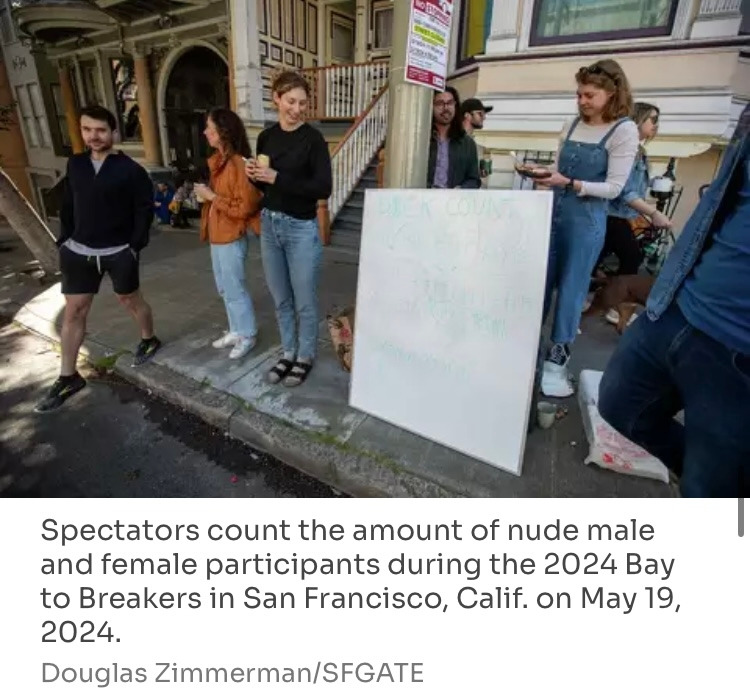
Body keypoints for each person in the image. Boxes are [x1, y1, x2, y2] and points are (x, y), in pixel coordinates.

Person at [599, 104, 750, 497]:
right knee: (617, 403)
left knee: (710, 486)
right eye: (653, 121)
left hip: (739, 344)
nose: (655, 127)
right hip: (679, 304)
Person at [524, 59, 639, 398]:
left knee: (572, 291)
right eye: (579, 95)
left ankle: (555, 365)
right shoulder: (571, 124)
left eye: (590, 95)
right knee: (538, 285)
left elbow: (615, 188)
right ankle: (526, 353)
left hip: (586, 222)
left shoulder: (624, 131)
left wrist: (571, 183)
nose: (582, 101)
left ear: (612, 93)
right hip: (553, 215)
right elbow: (559, 169)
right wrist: (541, 173)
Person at [36, 105, 161, 413]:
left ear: (114, 133)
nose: (94, 136)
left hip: (118, 251)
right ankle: (68, 376)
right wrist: (64, 240)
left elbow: (144, 211)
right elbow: (68, 203)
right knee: (74, 312)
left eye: (101, 130)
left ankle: (149, 338)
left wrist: (134, 247)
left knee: (130, 300)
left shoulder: (131, 170)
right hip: (78, 252)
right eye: (87, 130)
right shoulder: (76, 164)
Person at [245, 71, 332, 387]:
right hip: (270, 225)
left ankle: (305, 355)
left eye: (303, 103)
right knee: (281, 298)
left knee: (304, 300)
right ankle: (288, 352)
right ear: (276, 99)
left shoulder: (313, 139)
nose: (297, 109)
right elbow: (265, 185)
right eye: (291, 101)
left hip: (301, 228)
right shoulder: (266, 137)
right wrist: (254, 175)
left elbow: (323, 188)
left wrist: (277, 177)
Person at [194, 108, 263, 361]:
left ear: (223, 132)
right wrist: (207, 196)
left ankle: (247, 334)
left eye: (209, 128)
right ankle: (236, 330)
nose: (205, 132)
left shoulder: (238, 164)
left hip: (232, 234)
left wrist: (211, 197)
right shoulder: (221, 162)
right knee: (225, 287)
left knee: (235, 287)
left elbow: (245, 208)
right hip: (218, 234)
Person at [600, 102, 673, 278]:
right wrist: (654, 213)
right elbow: (625, 191)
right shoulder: (627, 150)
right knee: (632, 258)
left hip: (617, 216)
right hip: (611, 215)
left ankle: (602, 288)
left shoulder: (638, 151)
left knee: (600, 259)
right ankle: (614, 293)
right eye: (653, 119)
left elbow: (633, 186)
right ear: (638, 119)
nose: (656, 124)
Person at [427, 87, 481, 190]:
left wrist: (460, 190)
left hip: (454, 199)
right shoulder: (422, 139)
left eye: (450, 103)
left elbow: (474, 180)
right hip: (423, 198)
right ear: (431, 106)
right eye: (440, 103)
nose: (446, 108)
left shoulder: (467, 144)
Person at [461, 97, 493, 183]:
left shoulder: (472, 142)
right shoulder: (457, 140)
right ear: (467, 115)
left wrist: (478, 172)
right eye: (480, 114)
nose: (484, 117)